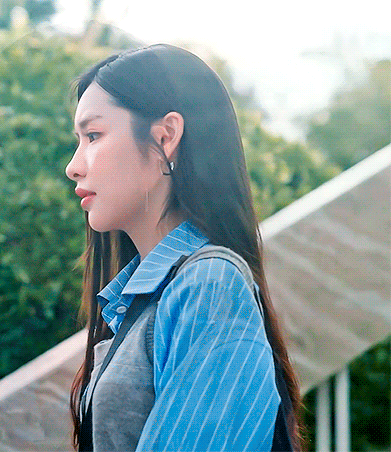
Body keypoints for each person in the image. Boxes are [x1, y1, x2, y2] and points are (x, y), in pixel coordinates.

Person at [65, 44, 303, 451]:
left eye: (93, 135)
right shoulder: (146, 300)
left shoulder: (209, 284)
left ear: (166, 136)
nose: (73, 166)